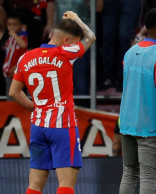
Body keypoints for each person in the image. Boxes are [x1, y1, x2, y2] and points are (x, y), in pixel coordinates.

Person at [8, 11, 95, 194]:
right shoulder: (65, 53)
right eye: (73, 41)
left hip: (38, 127)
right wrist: (76, 18)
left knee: (35, 185)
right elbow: (91, 37)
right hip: (62, 125)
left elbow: (14, 92)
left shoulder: (25, 58)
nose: (75, 45)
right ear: (65, 41)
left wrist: (34, 107)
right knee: (66, 184)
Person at [118, 9, 156, 194]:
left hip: (127, 125)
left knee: (128, 174)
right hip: (150, 127)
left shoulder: (130, 52)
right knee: (148, 179)